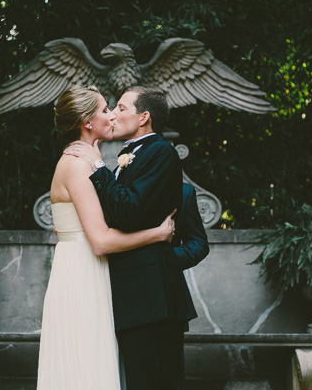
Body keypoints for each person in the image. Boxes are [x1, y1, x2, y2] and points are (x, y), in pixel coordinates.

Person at [64, 86, 209, 390]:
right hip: (133, 295)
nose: (113, 115)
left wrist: (97, 165)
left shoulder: (159, 151)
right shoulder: (128, 158)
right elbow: (117, 213)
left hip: (151, 297)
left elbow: (127, 211)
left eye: (120, 108)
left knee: (156, 380)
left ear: (144, 117)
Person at [36, 86, 176, 390]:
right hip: (82, 272)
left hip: (93, 268)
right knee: (84, 363)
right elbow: (99, 240)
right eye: (104, 110)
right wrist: (157, 234)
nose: (110, 115)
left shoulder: (93, 160)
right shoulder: (76, 164)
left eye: (115, 108)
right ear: (88, 121)